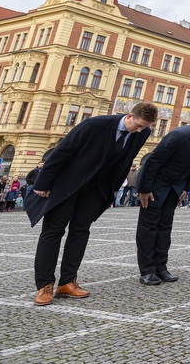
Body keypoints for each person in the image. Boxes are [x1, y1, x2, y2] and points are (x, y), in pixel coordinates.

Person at [26, 102, 158, 306]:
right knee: (53, 232)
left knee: (80, 231)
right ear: (130, 116)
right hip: (68, 184)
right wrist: (42, 183)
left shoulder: (142, 133)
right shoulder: (95, 125)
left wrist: (111, 190)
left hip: (95, 191)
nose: (140, 131)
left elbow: (125, 161)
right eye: (139, 125)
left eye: (145, 127)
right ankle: (44, 285)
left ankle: (68, 282)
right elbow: (62, 152)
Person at [135, 122, 190, 285]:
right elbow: (153, 161)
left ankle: (161, 267)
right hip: (156, 184)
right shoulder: (179, 136)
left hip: (175, 187)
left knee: (165, 227)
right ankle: (147, 270)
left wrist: (186, 187)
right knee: (148, 227)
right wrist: (145, 188)